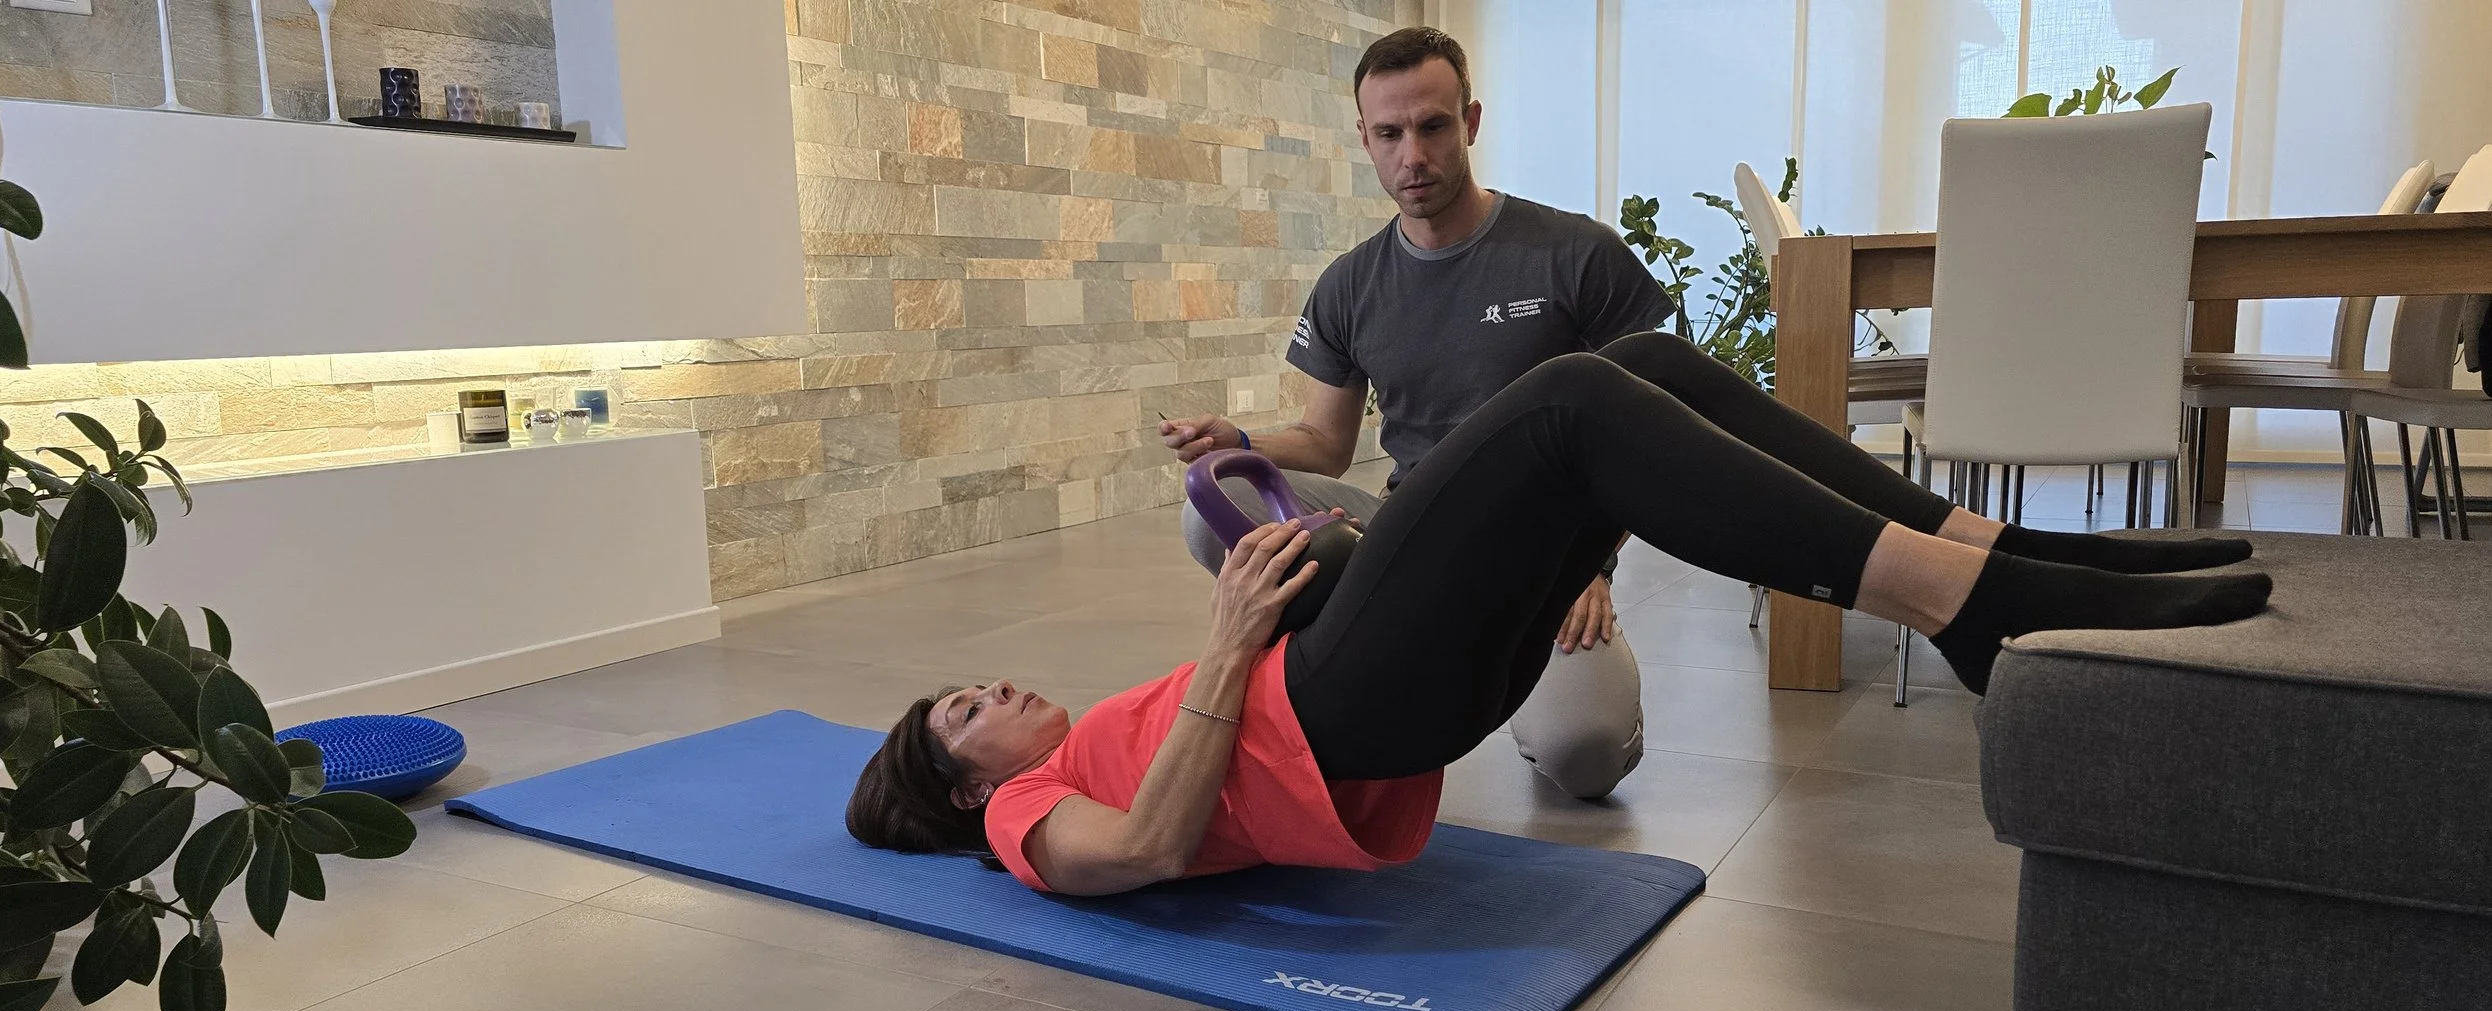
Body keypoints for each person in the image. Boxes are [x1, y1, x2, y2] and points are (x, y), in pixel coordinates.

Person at [849, 333, 2270, 897]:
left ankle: (1992, 552)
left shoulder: (1060, 747)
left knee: (1639, 364)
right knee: (1569, 404)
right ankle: (1968, 606)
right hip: (1351, 710)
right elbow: (1152, 846)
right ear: (959, 778)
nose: (990, 691)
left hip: (1352, 669)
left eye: (966, 684)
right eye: (961, 711)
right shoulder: (1021, 817)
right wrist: (1229, 642)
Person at [1161, 26, 1671, 802]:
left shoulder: (1574, 254)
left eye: (1432, 127)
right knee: (1213, 507)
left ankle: (1521, 689)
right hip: (1403, 532)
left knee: (1586, 754)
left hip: (1544, 558)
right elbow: (1328, 445)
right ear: (1363, 138)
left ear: (1469, 122)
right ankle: (1352, 651)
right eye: (1390, 134)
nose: (1413, 156)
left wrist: (1592, 565)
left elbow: (1647, 432)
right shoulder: (1350, 284)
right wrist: (1239, 439)